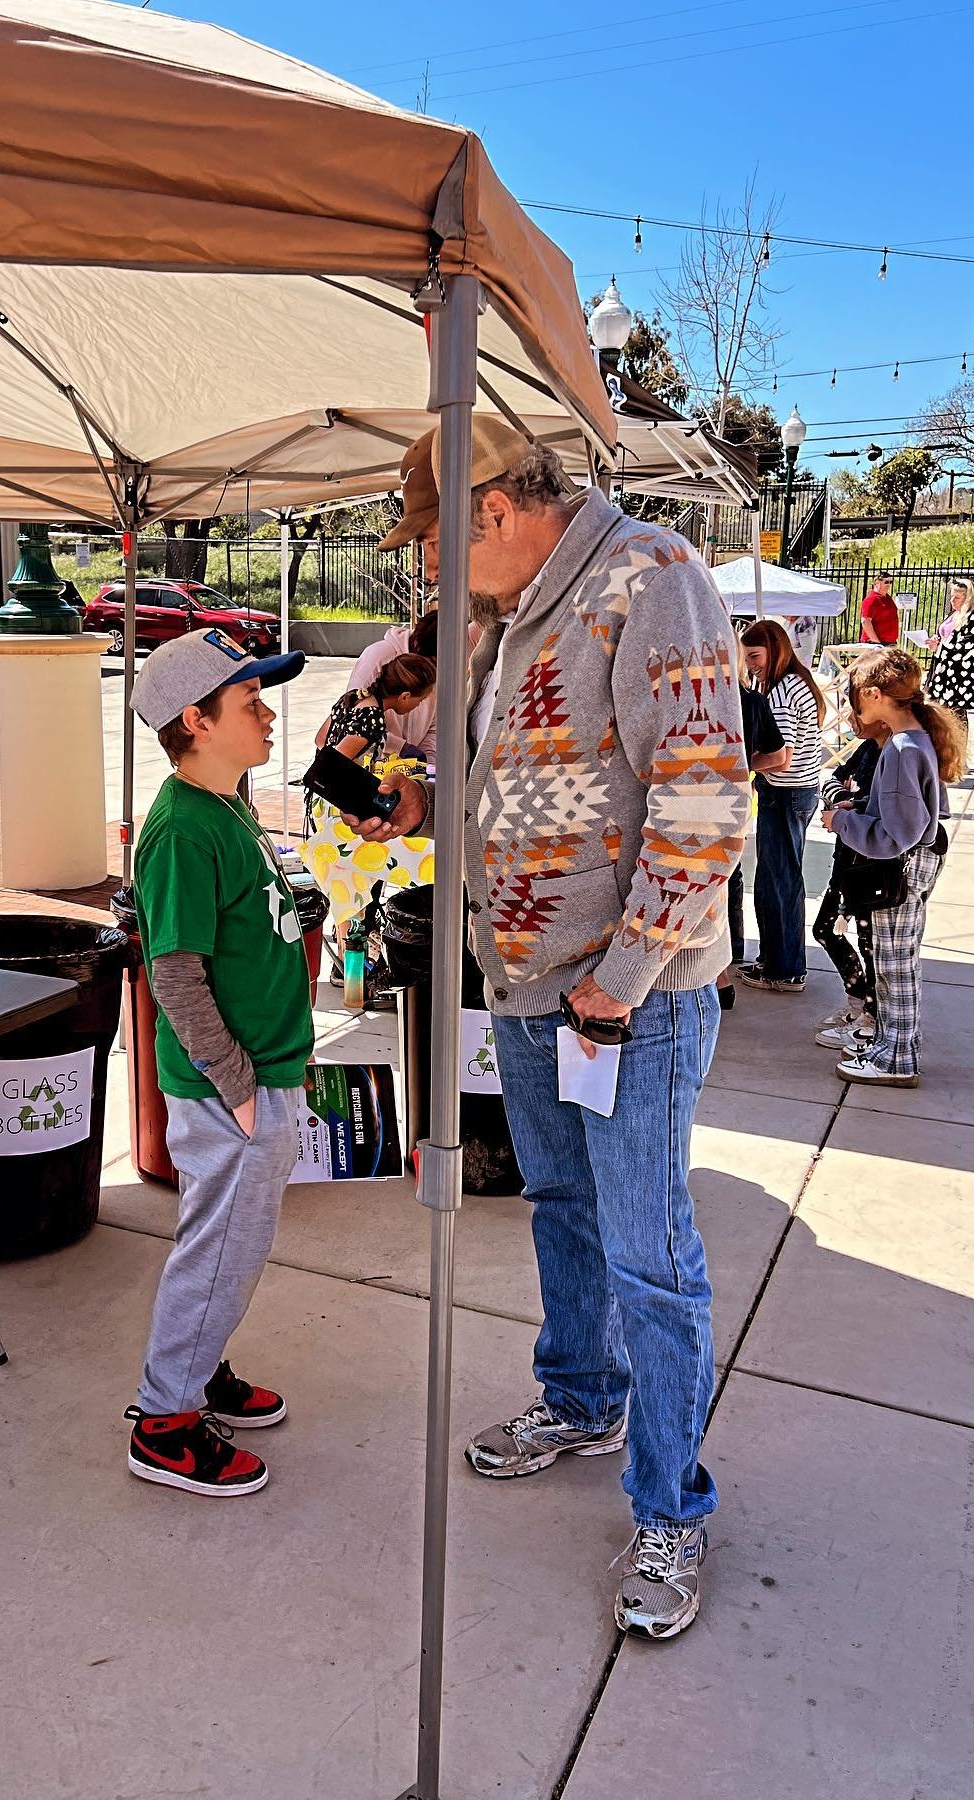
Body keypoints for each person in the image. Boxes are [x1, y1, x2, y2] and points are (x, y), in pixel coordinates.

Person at [347, 418, 750, 1639]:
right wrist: (417, 804)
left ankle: (671, 1504)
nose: (429, 568)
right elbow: (517, 783)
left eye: (434, 540)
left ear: (494, 511)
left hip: (630, 1001)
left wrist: (623, 976)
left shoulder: (652, 578)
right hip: (532, 990)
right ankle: (581, 1395)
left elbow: (706, 795)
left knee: (649, 1250)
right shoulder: (506, 618)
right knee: (563, 1209)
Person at [125, 627, 312, 1497]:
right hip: (228, 1090)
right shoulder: (180, 831)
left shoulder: (227, 801)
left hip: (261, 1075)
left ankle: (197, 1370)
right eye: (251, 703)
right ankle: (166, 1418)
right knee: (219, 1254)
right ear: (196, 721)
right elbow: (173, 973)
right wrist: (238, 1088)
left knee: (230, 1250)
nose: (269, 714)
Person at [825, 646, 963, 1088]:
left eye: (856, 696)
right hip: (918, 860)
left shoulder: (903, 747)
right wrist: (861, 806)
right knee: (898, 960)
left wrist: (843, 820)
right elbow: (913, 810)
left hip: (901, 869)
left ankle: (897, 1058)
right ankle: (893, 1046)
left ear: (874, 695)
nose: (854, 706)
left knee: (893, 965)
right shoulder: (916, 738)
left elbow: (896, 835)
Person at [737, 618, 826, 995]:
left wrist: (736, 766)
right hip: (796, 793)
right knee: (780, 879)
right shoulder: (796, 683)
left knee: (779, 883)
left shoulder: (783, 691)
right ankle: (778, 959)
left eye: (755, 656)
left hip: (784, 794)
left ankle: (785, 968)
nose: (752, 664)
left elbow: (779, 757)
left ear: (775, 650)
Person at [719, 642, 790, 1011]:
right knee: (726, 879)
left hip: (676, 798)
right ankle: (724, 968)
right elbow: (779, 756)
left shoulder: (685, 696)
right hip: (731, 798)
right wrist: (745, 764)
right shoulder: (750, 700)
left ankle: (714, 973)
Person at [810, 723, 884, 1053]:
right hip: (848, 860)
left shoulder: (896, 752)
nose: (853, 719)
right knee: (827, 929)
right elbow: (832, 777)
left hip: (872, 866)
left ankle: (870, 1018)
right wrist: (844, 797)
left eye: (859, 708)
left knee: (870, 945)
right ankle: (859, 1004)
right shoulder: (868, 747)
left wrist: (852, 805)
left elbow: (886, 807)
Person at [344, 609, 440, 760]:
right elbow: (353, 726)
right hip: (371, 771)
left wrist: (426, 767)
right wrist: (400, 747)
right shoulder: (378, 656)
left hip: (405, 771)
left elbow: (434, 727)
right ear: (405, 696)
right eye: (421, 700)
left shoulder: (441, 668)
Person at [314, 653, 437, 766]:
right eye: (420, 700)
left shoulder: (354, 697)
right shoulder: (372, 718)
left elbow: (320, 739)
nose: (418, 705)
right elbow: (335, 764)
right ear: (405, 696)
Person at [924, 576, 974, 725]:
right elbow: (946, 637)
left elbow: (965, 648)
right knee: (939, 715)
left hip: (957, 675)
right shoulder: (953, 615)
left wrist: (939, 648)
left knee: (956, 717)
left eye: (957, 597)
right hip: (941, 672)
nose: (953, 600)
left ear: (968, 599)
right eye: (952, 596)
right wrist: (936, 640)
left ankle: (959, 748)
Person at [859, 571, 900, 646]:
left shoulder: (887, 598)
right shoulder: (871, 599)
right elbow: (865, 621)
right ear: (877, 582)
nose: (889, 584)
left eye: (891, 582)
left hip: (890, 643)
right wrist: (876, 642)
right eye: (886, 582)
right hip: (875, 644)